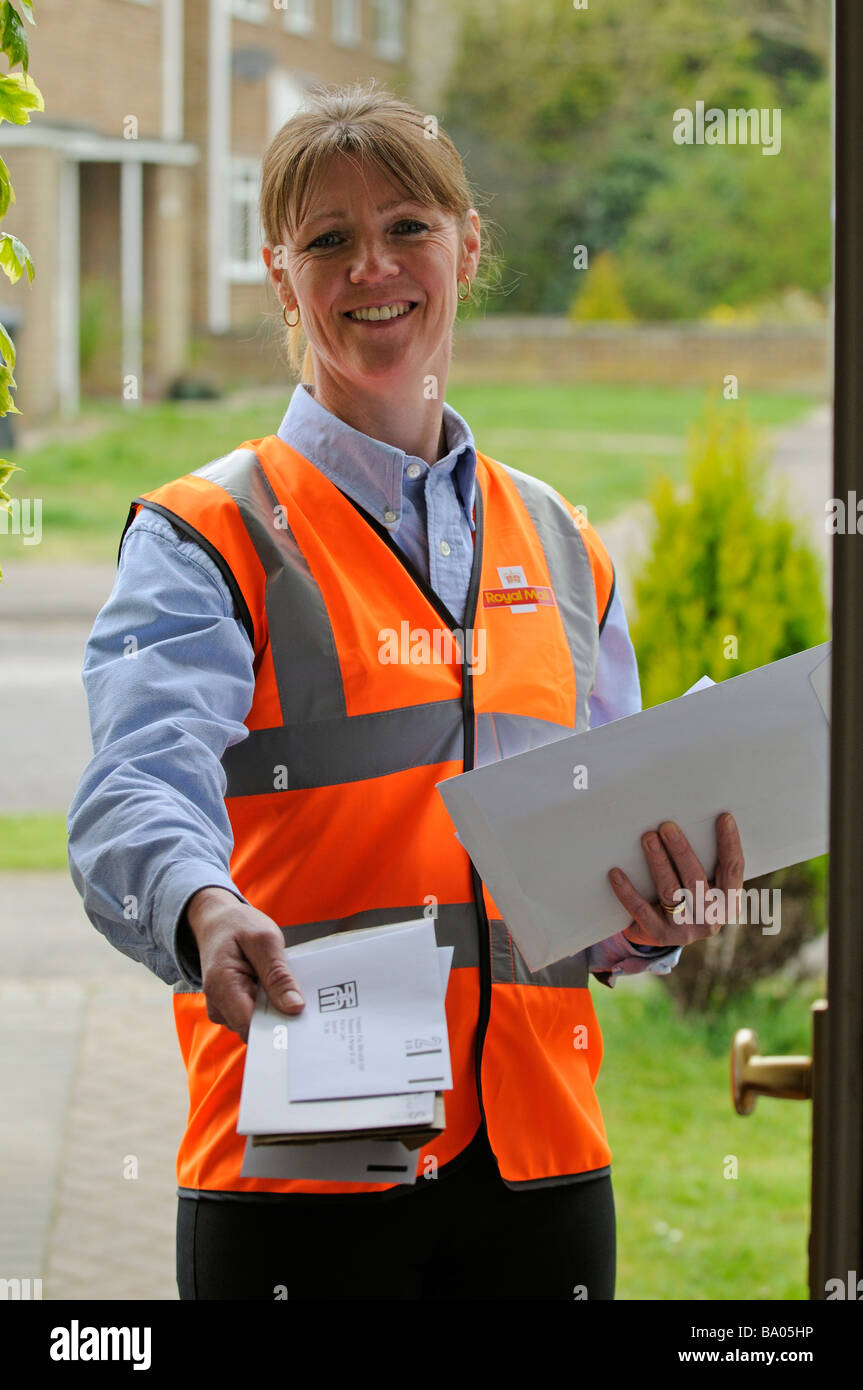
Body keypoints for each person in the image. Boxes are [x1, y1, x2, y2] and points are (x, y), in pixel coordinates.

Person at [67, 81, 744, 1302]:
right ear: (281, 276)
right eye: (326, 238)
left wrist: (644, 918)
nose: (370, 267)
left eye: (406, 227)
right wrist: (198, 908)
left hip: (540, 1173)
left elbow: (587, 871)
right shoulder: (206, 534)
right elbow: (134, 787)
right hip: (298, 1179)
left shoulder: (560, 541)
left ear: (466, 246)